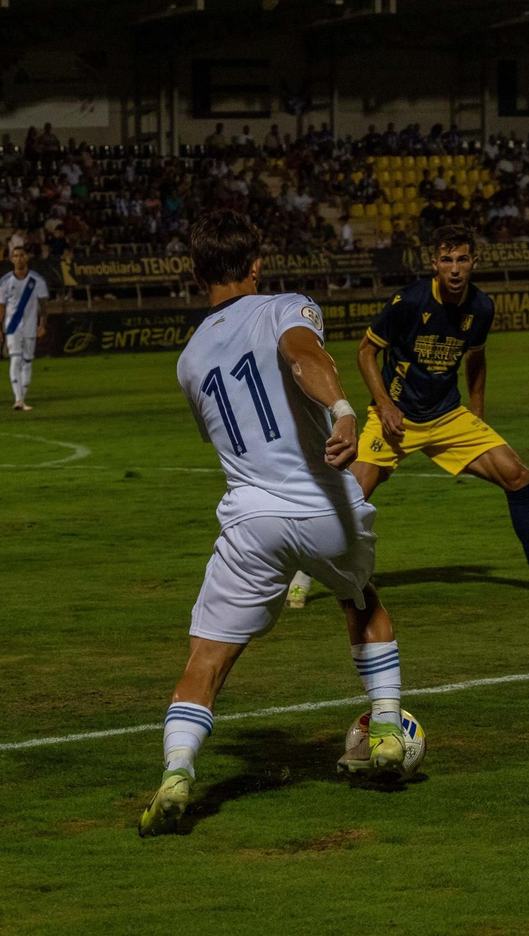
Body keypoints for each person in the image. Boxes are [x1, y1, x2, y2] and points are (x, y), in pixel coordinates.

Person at [138, 209, 411, 838]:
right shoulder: (285, 305)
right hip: (324, 506)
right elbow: (302, 355)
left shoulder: (187, 359)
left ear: (199, 273)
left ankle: (178, 772)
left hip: (251, 518)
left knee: (206, 656)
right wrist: (343, 411)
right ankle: (389, 730)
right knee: (361, 600)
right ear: (256, 266)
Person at [287, 223, 529, 606]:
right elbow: (365, 352)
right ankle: (301, 576)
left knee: (517, 475)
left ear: (474, 262)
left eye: (462, 260)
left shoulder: (481, 308)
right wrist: (386, 405)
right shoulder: (409, 301)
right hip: (395, 419)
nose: (455, 269)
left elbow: (476, 359)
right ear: (434, 264)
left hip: (447, 417)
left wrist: (477, 414)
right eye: (447, 260)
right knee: (350, 495)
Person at [0, 237, 49, 410]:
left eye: (21, 255)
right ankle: (18, 400)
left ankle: (22, 399)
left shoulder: (37, 281)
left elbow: (44, 306)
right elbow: (1, 306)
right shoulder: (5, 281)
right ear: (11, 259)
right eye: (15, 256)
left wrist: (42, 325)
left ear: (26, 258)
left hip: (31, 326)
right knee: (16, 360)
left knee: (27, 361)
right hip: (12, 326)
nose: (18, 258)